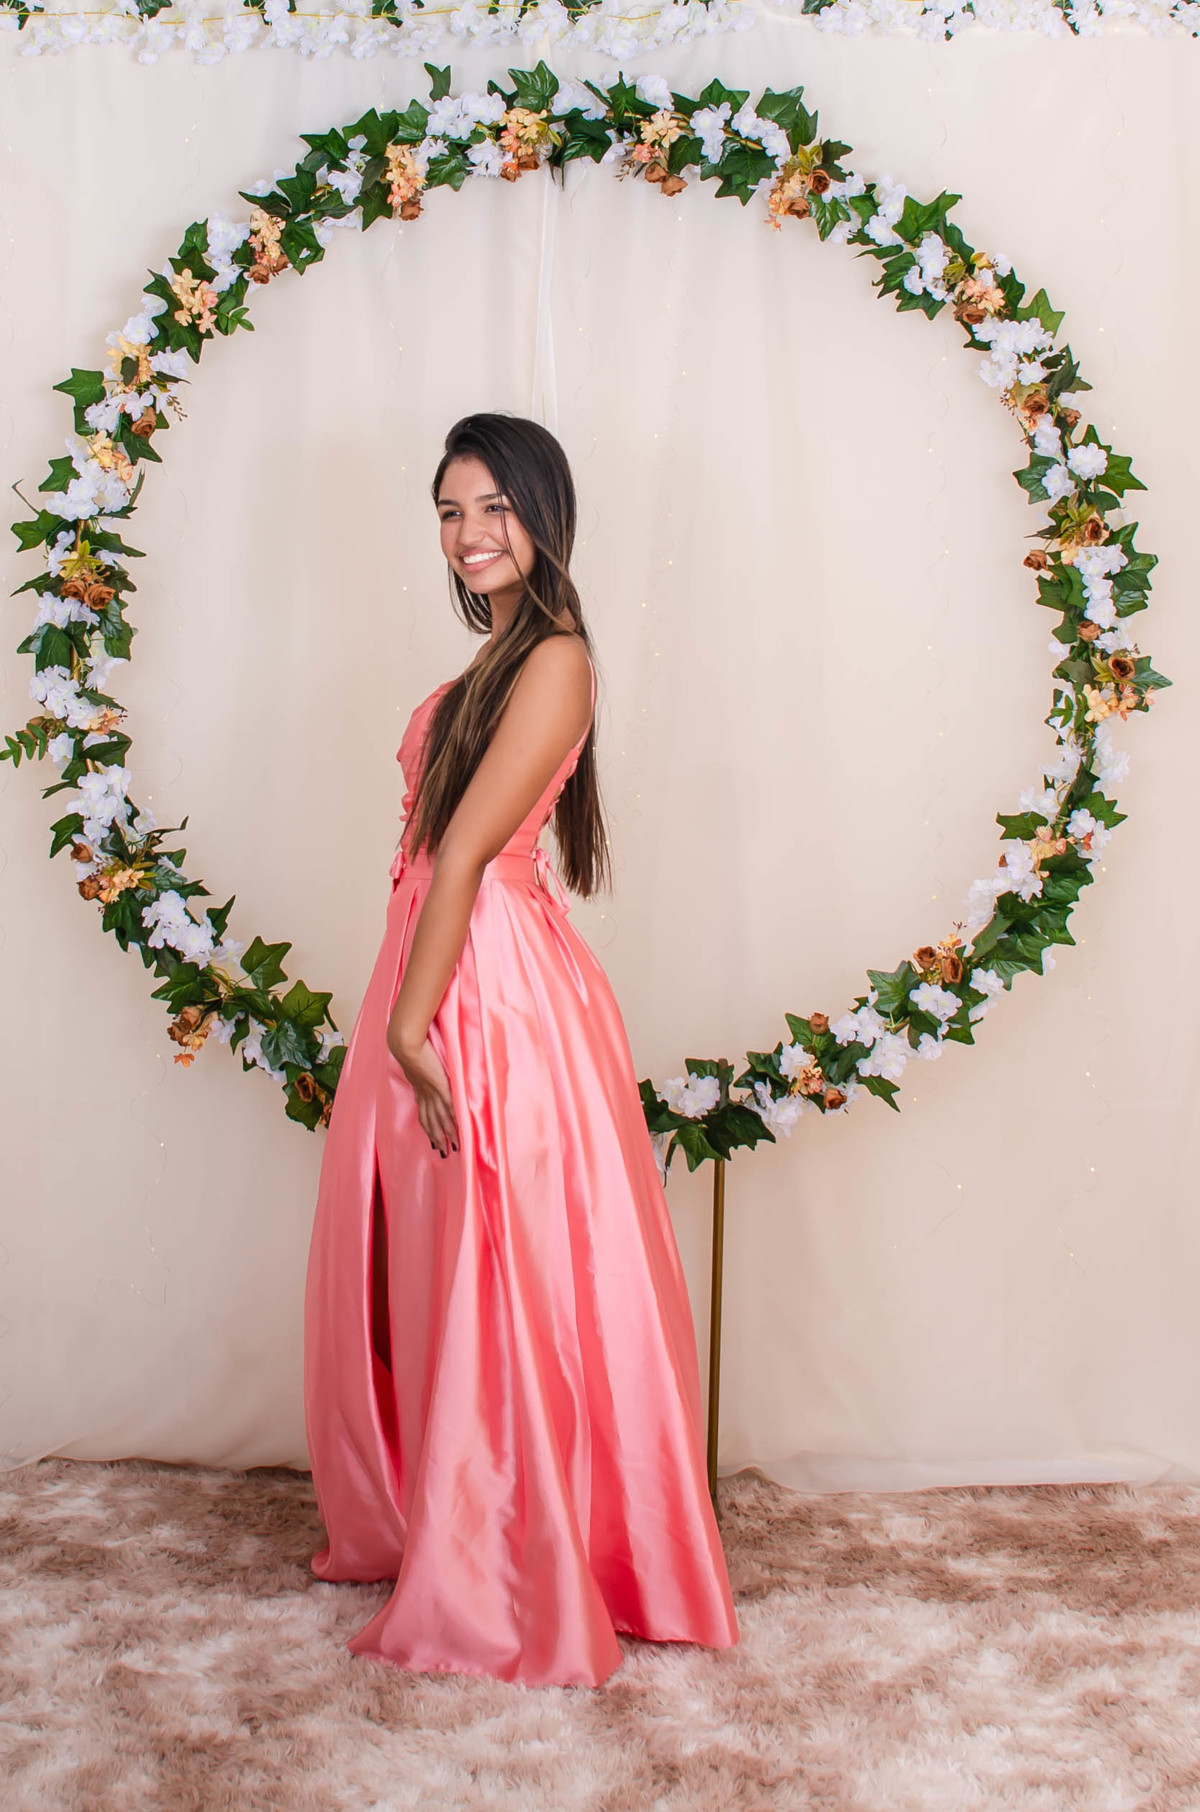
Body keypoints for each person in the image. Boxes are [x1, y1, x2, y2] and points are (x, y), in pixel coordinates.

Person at [302, 411, 738, 1688]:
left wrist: (409, 1019)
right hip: (441, 958)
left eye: (493, 506)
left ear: (544, 515)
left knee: (500, 1252)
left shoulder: (555, 659)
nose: (469, 532)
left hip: (485, 980)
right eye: (451, 511)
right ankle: (453, 1511)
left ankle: (519, 1542)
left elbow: (468, 855)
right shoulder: (496, 663)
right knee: (445, 1247)